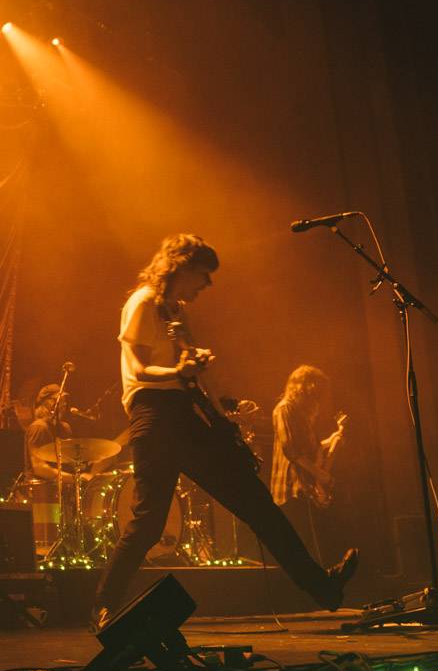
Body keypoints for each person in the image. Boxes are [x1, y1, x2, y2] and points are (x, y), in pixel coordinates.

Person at [90, 234, 358, 629]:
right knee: (148, 522)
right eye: (203, 275)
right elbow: (138, 369)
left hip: (184, 413)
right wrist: (179, 371)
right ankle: (103, 607)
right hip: (154, 413)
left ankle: (324, 588)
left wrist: (202, 378)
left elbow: (187, 378)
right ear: (180, 267)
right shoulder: (143, 302)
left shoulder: (174, 310)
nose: (207, 285)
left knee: (256, 502)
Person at [271, 365, 347, 561]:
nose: (316, 401)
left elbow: (308, 450)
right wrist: (320, 474)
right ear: (303, 389)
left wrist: (332, 439)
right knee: (301, 550)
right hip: (291, 490)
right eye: (314, 395)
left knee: (311, 549)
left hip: (304, 489)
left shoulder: (299, 414)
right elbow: (292, 451)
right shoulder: (285, 409)